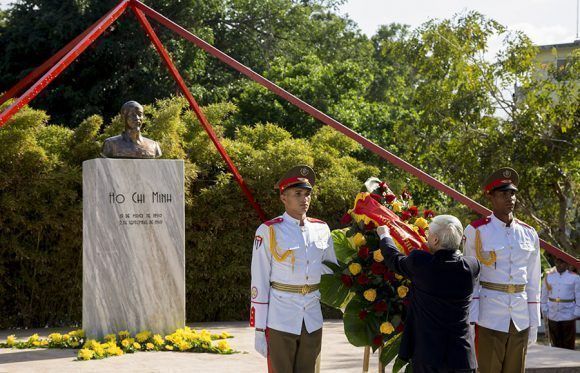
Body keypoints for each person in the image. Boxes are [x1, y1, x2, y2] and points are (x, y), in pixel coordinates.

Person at [250, 165, 337, 373]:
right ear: (283, 197)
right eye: (297, 194)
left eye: (307, 194)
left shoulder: (322, 229)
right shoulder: (269, 230)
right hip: (281, 317)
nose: (304, 199)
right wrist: (260, 329)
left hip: (312, 318)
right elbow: (259, 280)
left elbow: (332, 272)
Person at [377, 215, 480, 373]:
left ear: (436, 240)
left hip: (428, 356)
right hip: (462, 357)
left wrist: (385, 235)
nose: (427, 236)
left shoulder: (420, 263)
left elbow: (394, 259)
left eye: (429, 233)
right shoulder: (472, 266)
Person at [463, 167, 541, 373]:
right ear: (491, 197)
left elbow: (533, 280)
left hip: (520, 316)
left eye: (512, 193)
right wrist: (470, 318)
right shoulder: (476, 231)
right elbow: (470, 280)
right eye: (503, 193)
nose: (510, 198)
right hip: (489, 316)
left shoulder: (529, 233)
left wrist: (535, 321)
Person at [540, 257, 580, 349]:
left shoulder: (575, 277)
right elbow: (544, 295)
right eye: (557, 263)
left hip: (568, 313)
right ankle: (556, 360)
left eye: (561, 263)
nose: (559, 265)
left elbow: (578, 295)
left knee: (568, 341)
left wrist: (577, 310)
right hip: (553, 313)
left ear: (567, 264)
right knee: (555, 341)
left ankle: (568, 361)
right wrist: (544, 308)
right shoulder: (549, 276)